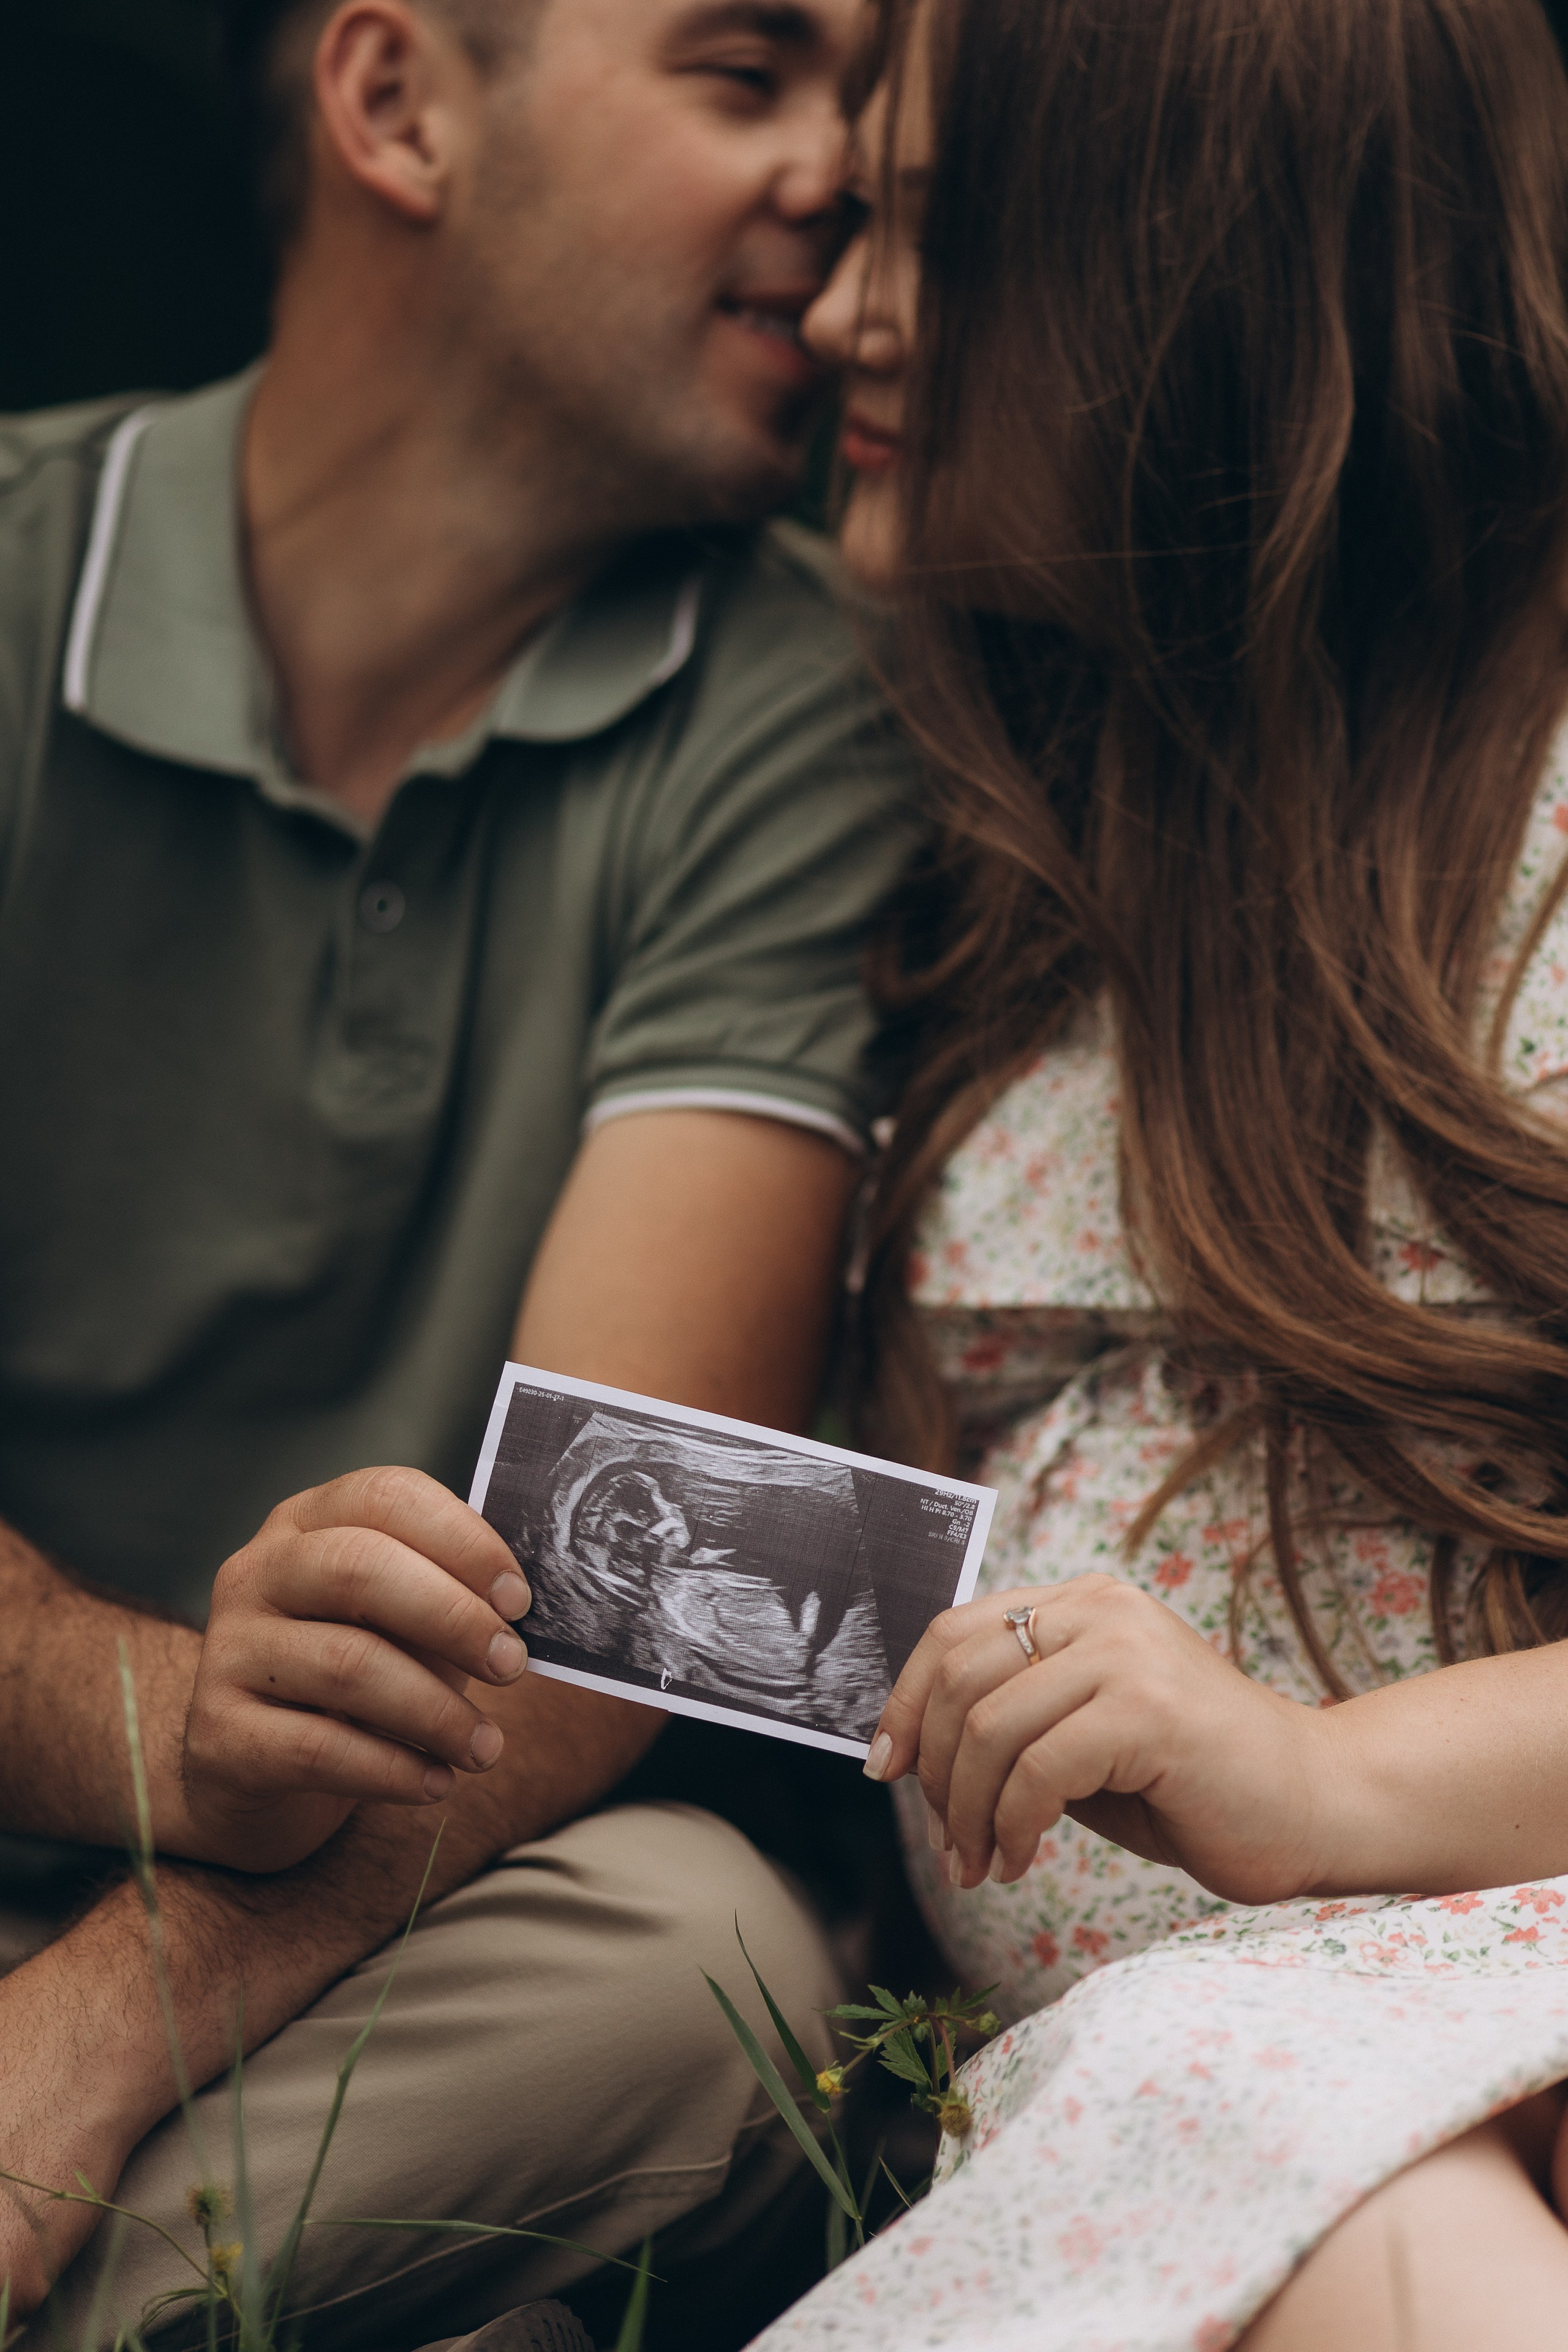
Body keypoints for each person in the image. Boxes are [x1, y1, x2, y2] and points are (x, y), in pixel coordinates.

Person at [0, 1, 921, 2345]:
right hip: (217, 1899)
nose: (849, 173)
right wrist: (160, 1717)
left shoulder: (822, 706)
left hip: (371, 1949)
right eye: (748, 73)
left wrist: (86, 2035)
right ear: (400, 101)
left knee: (701, 1958)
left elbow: (651, 1602)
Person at [751, 1, 1568, 2345]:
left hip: (1411, 2041)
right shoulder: (1001, 825)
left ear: (1177, 269)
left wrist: (1307, 1781)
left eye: (923, 230)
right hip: (1208, 2138)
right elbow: (860, 1552)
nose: (837, 312)